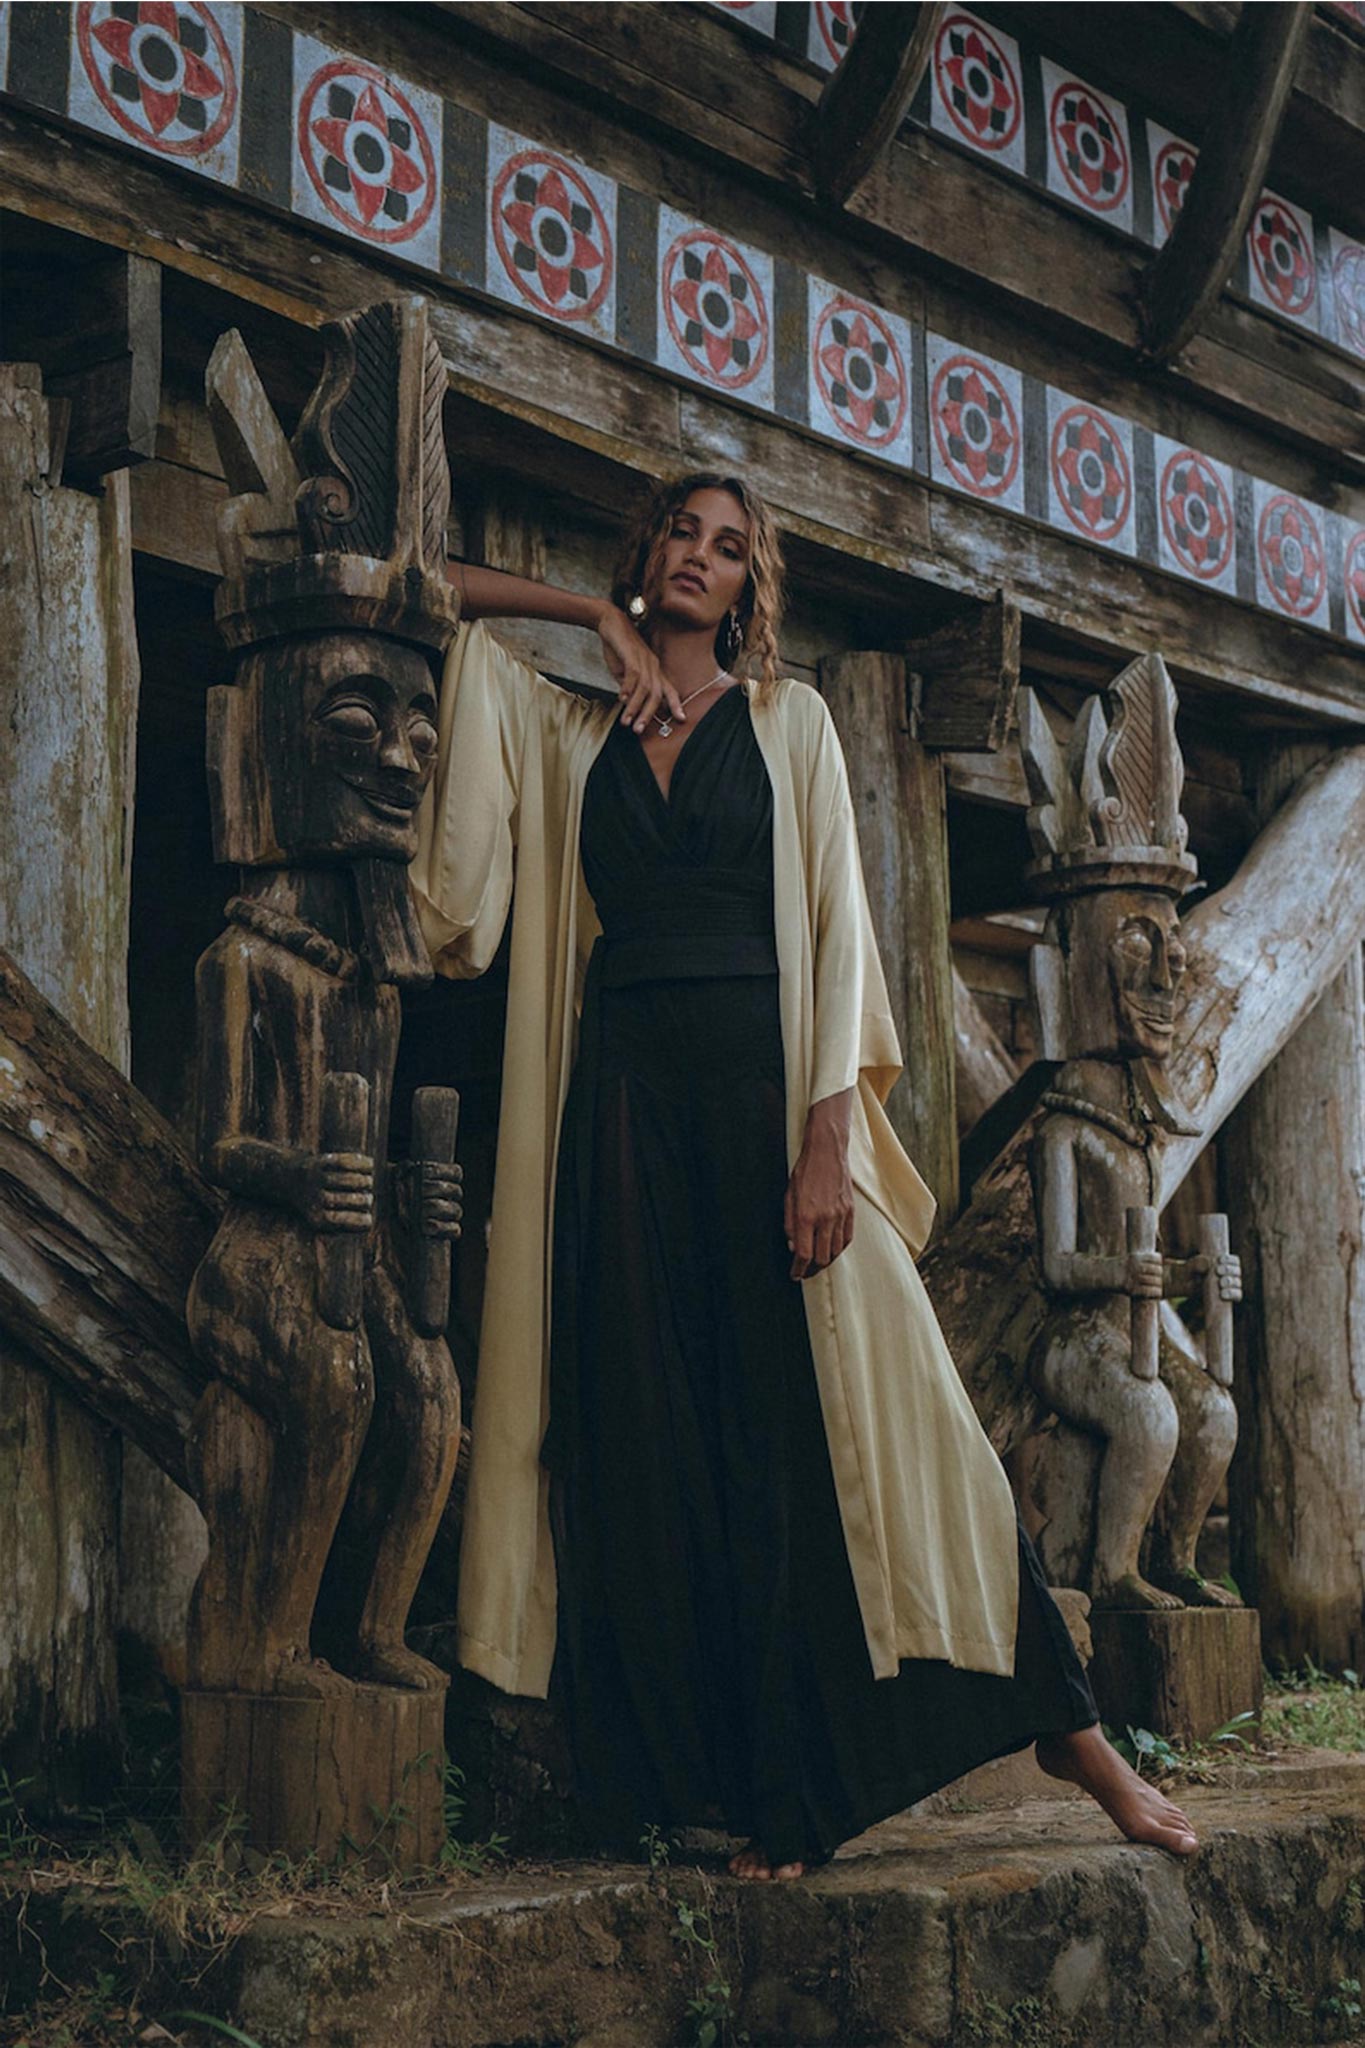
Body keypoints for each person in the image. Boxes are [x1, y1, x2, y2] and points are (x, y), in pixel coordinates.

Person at [411, 472, 1200, 1878]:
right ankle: (747, 1791)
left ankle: (1074, 1742)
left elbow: (838, 934)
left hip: (764, 1097)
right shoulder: (567, 720)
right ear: (646, 550)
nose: (701, 560)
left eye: (729, 547)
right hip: (622, 1109)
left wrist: (827, 1137)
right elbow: (431, 592)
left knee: (862, 1417)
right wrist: (586, 613)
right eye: (679, 536)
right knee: (655, 1429)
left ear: (749, 583)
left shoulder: (791, 724)